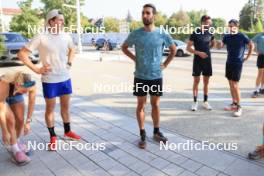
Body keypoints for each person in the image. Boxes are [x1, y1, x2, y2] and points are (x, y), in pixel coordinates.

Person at [18, 9, 81, 151]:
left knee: (65, 108)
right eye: (59, 20)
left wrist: (69, 63)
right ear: (51, 21)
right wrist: (36, 69)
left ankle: (67, 131)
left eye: (63, 20)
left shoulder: (66, 36)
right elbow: (22, 54)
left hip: (65, 78)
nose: (62, 22)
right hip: (50, 79)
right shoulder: (41, 37)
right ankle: (53, 137)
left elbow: (72, 49)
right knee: (50, 109)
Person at [122, 4, 176, 149]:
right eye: (143, 13)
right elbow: (124, 47)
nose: (145, 15)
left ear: (154, 16)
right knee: (141, 105)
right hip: (140, 76)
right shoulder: (136, 33)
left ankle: (156, 132)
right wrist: (135, 59)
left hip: (156, 76)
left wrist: (165, 64)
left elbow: (173, 50)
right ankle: (142, 133)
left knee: (155, 105)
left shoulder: (162, 33)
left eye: (148, 13)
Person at [217, 19, 254, 117]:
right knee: (230, 84)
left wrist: (247, 57)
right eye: (229, 26)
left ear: (237, 27)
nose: (230, 28)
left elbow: (251, 45)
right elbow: (219, 47)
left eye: (232, 26)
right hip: (229, 63)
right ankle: (234, 103)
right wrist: (218, 43)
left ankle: (239, 107)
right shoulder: (227, 36)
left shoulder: (242, 36)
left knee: (235, 85)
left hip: (237, 63)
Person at [0, 71, 35, 165]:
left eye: (27, 90)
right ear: (17, 84)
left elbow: (32, 102)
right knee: (11, 119)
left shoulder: (30, 86)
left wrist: (28, 122)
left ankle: (15, 141)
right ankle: (15, 150)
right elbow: (1, 111)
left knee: (20, 119)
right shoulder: (4, 85)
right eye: (24, 90)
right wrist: (4, 131)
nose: (26, 93)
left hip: (15, 93)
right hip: (2, 96)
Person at [187, 15, 216, 111]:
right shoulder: (195, 33)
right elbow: (188, 48)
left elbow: (213, 43)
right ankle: (195, 102)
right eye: (207, 23)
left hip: (207, 60)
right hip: (197, 60)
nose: (208, 25)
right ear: (202, 23)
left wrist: (208, 50)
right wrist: (199, 53)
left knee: (206, 82)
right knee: (196, 81)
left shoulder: (211, 32)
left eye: (210, 23)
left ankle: (205, 102)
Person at [251, 32, 264, 98]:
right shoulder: (259, 35)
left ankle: (262, 88)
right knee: (260, 73)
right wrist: (255, 50)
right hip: (261, 56)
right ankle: (256, 90)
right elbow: (251, 42)